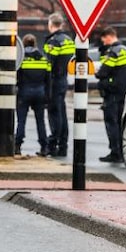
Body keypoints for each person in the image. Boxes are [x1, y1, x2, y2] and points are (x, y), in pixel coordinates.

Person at [94, 27, 126, 163]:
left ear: (109, 37)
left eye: (104, 40)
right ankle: (122, 152)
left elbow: (103, 72)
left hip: (111, 92)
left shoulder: (113, 52)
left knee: (111, 123)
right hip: (123, 92)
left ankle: (115, 152)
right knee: (120, 123)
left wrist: (98, 74)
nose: (104, 43)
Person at [43, 14, 75, 158]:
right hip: (63, 79)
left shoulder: (53, 42)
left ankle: (53, 144)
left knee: (54, 113)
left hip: (53, 81)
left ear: (51, 24)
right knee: (61, 113)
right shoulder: (69, 41)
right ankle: (63, 145)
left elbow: (49, 64)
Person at [15, 34, 51, 156]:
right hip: (40, 92)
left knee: (21, 121)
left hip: (24, 92)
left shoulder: (21, 60)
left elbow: (17, 78)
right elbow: (48, 80)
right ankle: (44, 147)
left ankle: (17, 146)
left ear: (23, 44)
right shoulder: (44, 60)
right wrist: (47, 96)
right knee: (40, 121)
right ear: (35, 44)